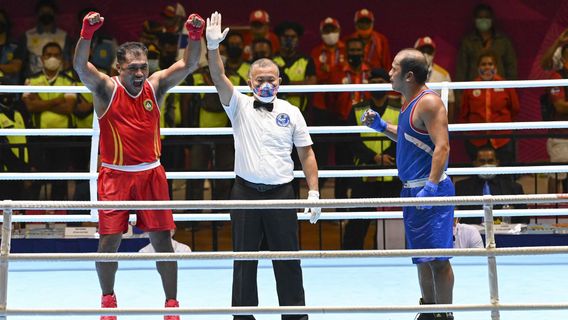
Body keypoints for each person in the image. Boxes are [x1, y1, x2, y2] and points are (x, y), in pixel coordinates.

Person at [73, 11, 204, 320]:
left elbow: (189, 64)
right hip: (115, 176)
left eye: (143, 66)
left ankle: (171, 304)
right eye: (132, 68)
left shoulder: (155, 87)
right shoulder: (106, 88)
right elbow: (80, 66)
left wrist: (195, 38)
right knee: (109, 241)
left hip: (151, 174)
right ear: (120, 68)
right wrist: (86, 34)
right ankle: (108, 298)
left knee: (163, 241)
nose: (139, 73)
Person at [205, 12, 320, 320]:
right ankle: (243, 318)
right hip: (244, 193)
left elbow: (306, 154)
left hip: (282, 194)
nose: (266, 84)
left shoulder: (292, 112)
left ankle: (294, 317)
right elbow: (218, 78)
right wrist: (212, 47)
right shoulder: (239, 105)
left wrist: (314, 192)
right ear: (250, 82)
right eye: (260, 80)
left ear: (279, 82)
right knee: (244, 261)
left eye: (271, 79)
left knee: (288, 260)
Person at [361, 48, 454, 320]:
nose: (389, 73)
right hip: (412, 189)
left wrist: (432, 186)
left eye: (393, 68)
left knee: (438, 259)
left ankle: (446, 314)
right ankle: (429, 309)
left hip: (431, 189)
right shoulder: (407, 102)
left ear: (409, 75)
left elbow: (442, 146)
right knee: (422, 258)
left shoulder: (429, 102)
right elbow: (409, 138)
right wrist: (381, 127)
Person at [342, 68, 401, 249]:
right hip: (364, 175)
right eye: (373, 81)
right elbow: (352, 141)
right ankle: (350, 259)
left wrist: (386, 157)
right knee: (357, 225)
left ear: (389, 84)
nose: (377, 84)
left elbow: (403, 137)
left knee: (391, 225)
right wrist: (375, 158)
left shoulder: (400, 109)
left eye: (381, 81)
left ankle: (389, 257)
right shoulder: (357, 109)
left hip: (392, 175)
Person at [459, 51, 519, 165]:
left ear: (495, 67)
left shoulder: (505, 85)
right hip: (476, 139)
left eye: (490, 64)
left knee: (504, 176)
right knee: (477, 177)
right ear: (478, 67)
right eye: (483, 64)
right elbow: (464, 113)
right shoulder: (470, 87)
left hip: (503, 139)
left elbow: (515, 109)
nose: (487, 67)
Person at [454, 146, 528, 225]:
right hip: (471, 235)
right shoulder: (461, 187)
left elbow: (524, 220)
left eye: (490, 161)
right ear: (475, 163)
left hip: (506, 234)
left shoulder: (513, 188)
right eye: (482, 161)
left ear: (497, 162)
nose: (486, 165)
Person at [455, 3, 517, 82]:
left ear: (492, 19)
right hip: (474, 89)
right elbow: (461, 70)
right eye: (480, 17)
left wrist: (511, 88)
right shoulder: (468, 42)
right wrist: (460, 93)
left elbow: (511, 69)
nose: (483, 20)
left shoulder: (503, 41)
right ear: (474, 19)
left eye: (486, 17)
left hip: (499, 88)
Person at [414, 36, 456, 123]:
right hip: (414, 119)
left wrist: (448, 125)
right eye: (422, 50)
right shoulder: (409, 73)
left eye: (429, 51)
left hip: (436, 120)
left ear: (434, 53)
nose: (426, 54)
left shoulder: (443, 75)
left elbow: (450, 102)